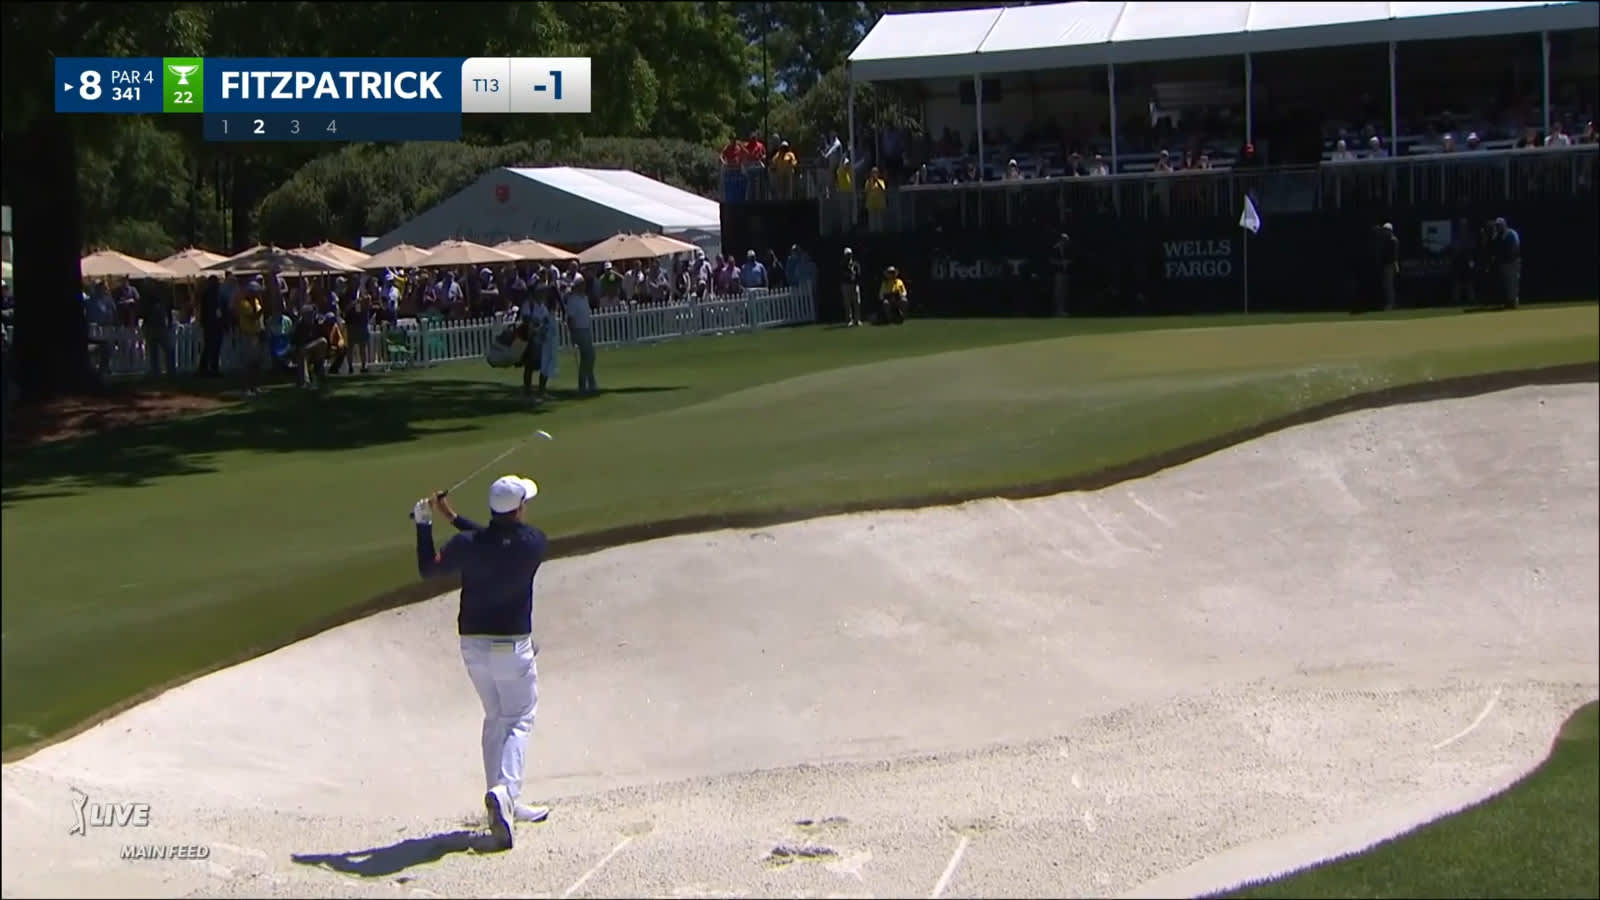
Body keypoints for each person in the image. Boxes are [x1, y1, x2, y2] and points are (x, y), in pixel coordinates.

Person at [414, 476, 551, 851]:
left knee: (495, 718)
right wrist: (454, 518)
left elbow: (432, 567)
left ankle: (503, 798)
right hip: (512, 647)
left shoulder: (468, 545)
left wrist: (425, 522)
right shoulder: (533, 542)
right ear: (519, 508)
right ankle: (505, 793)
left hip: (473, 647)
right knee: (520, 718)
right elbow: (498, 544)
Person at [839, 247, 862, 327]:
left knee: (857, 302)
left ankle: (857, 319)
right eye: (847, 255)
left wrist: (855, 275)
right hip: (846, 285)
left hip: (855, 284)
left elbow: (859, 273)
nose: (848, 256)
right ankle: (849, 320)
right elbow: (842, 274)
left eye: (849, 254)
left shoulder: (855, 264)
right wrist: (849, 275)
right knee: (847, 303)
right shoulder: (842, 264)